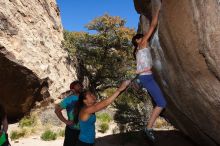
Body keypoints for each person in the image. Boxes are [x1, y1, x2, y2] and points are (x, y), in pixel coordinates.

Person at [131, 7, 167, 142]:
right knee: (162, 103)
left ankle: (137, 82)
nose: (144, 37)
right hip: (146, 77)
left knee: (161, 103)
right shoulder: (143, 44)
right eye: (141, 37)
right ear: (138, 41)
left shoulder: (138, 51)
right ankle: (149, 127)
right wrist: (157, 11)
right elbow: (152, 26)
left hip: (146, 76)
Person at [75, 80, 131, 146]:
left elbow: (106, 103)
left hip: (88, 142)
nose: (92, 95)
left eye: (92, 93)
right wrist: (119, 90)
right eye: (90, 95)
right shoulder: (86, 110)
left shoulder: (89, 108)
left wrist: (123, 89)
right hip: (84, 143)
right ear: (85, 100)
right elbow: (104, 103)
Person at [55, 80, 83, 146]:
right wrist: (66, 121)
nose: (80, 87)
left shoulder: (85, 99)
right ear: (72, 89)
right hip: (72, 130)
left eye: (81, 85)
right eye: (78, 86)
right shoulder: (68, 99)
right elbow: (57, 111)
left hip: (84, 130)